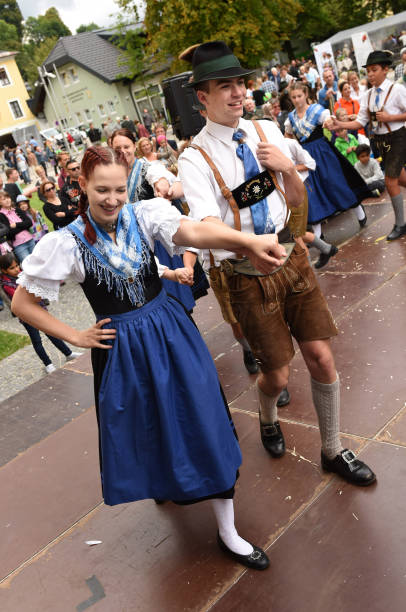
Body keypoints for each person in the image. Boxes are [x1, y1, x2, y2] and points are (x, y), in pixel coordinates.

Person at [10, 146, 292, 571]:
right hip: (122, 350)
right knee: (151, 426)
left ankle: (228, 531)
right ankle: (167, 479)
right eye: (101, 189)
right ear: (81, 186)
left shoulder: (144, 215)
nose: (112, 198)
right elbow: (23, 304)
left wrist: (247, 241)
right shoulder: (63, 243)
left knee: (202, 418)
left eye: (120, 188)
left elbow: (193, 233)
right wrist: (75, 336)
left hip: (171, 332)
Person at [178, 41, 376, 487]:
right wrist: (248, 243)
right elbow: (206, 223)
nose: (236, 93)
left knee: (322, 356)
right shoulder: (195, 158)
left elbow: (299, 195)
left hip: (293, 260)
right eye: (223, 86)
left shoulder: (267, 130)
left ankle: (332, 450)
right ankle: (267, 417)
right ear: (202, 98)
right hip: (247, 278)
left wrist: (286, 168)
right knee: (277, 374)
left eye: (240, 83)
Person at [112, 128, 196, 313]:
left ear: (134, 146)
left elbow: (159, 177)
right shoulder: (113, 174)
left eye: (126, 146)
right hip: (134, 246)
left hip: (157, 242)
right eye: (117, 148)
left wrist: (162, 185)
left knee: (174, 299)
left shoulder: (146, 167)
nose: (123, 151)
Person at [325, 50, 406, 241]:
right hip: (380, 141)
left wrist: (390, 117)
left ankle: (401, 224)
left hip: (398, 138)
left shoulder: (397, 90)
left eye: (374, 70)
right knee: (400, 177)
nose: (370, 74)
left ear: (385, 70)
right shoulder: (367, 95)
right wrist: (340, 124)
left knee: (390, 181)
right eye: (368, 71)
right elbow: (360, 122)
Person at [286, 81, 369, 231]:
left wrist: (328, 122)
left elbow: (328, 119)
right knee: (313, 192)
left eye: (299, 96)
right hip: (305, 156)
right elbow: (288, 135)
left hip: (322, 152)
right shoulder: (291, 117)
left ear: (305, 94)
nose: (297, 99)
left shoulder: (316, 110)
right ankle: (318, 234)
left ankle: (359, 212)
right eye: (293, 97)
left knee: (336, 183)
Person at [0, 253, 81, 373]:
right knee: (37, 340)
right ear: (4, 270)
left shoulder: (24, 274)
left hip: (40, 310)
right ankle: (48, 364)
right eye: (12, 268)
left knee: (52, 332)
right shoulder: (7, 285)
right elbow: (21, 297)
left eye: (17, 265)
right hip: (27, 317)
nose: (17, 269)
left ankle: (68, 353)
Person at [0, 190, 34, 262]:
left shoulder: (17, 209)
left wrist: (16, 225)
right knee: (28, 265)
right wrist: (23, 226)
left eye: (8, 197)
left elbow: (29, 222)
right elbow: (9, 232)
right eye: (4, 199)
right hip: (19, 245)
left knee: (38, 262)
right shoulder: (1, 215)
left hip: (30, 239)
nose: (7, 200)